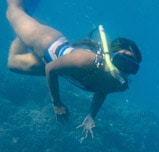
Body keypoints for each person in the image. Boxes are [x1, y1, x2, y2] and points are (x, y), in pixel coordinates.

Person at [5, 0, 142, 138]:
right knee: (14, 10)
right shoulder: (85, 60)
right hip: (45, 42)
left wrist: (91, 115)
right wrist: (56, 103)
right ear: (110, 55)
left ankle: (27, 18)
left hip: (60, 68)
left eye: (131, 67)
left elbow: (102, 91)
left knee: (12, 63)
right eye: (121, 60)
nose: (124, 69)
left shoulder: (119, 86)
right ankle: (25, 19)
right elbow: (50, 69)